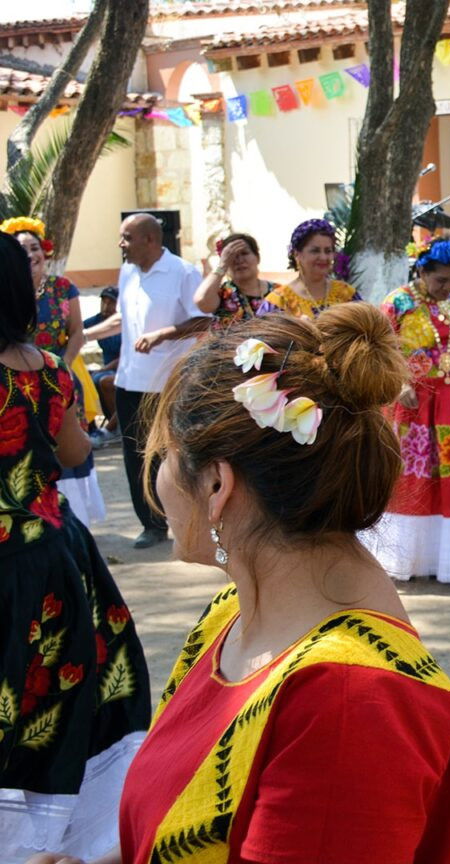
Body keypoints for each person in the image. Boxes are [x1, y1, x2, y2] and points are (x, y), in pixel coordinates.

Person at [25, 305, 450, 864]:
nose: (156, 476)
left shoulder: (349, 701)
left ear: (216, 484)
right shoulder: (233, 615)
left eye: (165, 456)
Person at [0, 231, 151, 863]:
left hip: (9, 559)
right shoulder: (51, 369)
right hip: (57, 554)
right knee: (54, 693)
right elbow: (72, 453)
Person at [361, 236, 450, 582]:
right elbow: (381, 349)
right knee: (417, 472)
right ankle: (412, 559)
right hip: (418, 401)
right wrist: (399, 383)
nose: (449, 287)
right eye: (441, 280)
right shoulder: (398, 302)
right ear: (421, 270)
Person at [81, 213, 205, 548]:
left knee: (173, 455)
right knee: (135, 456)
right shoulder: (127, 272)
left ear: (150, 239)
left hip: (168, 384)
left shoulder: (183, 272)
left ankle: (185, 521)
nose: (120, 245)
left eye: (126, 238)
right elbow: (123, 317)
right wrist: (84, 335)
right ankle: (150, 524)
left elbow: (203, 322)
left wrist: (164, 334)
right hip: (129, 382)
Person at [2, 217, 108, 525]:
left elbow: (76, 332)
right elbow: (73, 452)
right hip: (39, 533)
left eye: (34, 247)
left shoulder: (62, 288)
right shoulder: (50, 370)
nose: (31, 255)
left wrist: (64, 360)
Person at [257, 218, 361, 317]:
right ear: (297, 254)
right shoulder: (279, 301)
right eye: (315, 251)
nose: (323, 257)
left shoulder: (346, 294)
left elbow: (369, 328)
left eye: (328, 251)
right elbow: (258, 334)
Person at [193, 232, 274, 332]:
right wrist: (222, 266)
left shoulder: (277, 292)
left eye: (244, 253)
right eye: (232, 256)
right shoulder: (223, 294)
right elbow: (201, 300)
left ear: (257, 257)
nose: (239, 260)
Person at [82, 287, 122, 448]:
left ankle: (117, 428)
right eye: (103, 301)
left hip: (123, 367)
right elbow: (77, 329)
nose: (106, 306)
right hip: (106, 368)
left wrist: (103, 369)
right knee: (85, 381)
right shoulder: (98, 319)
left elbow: (125, 356)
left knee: (106, 381)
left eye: (111, 302)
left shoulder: (123, 321)